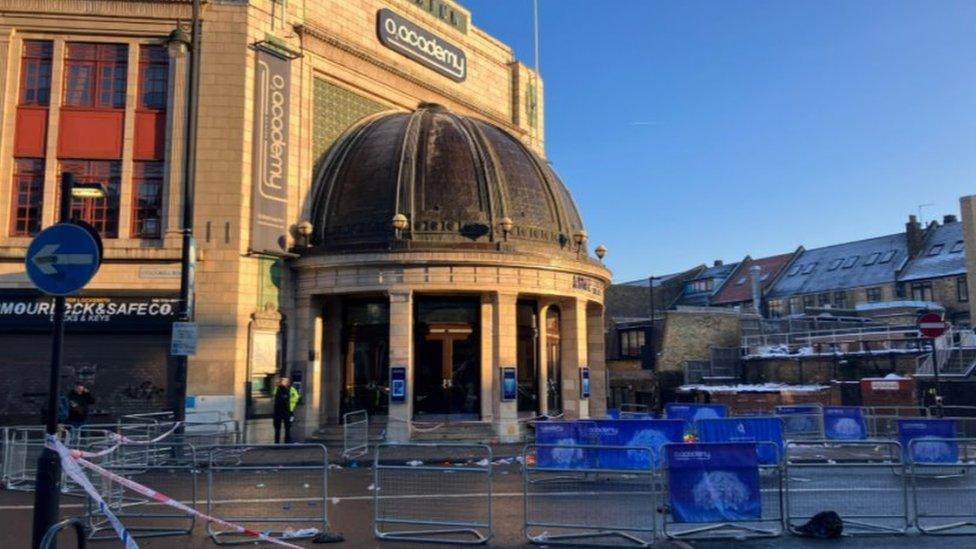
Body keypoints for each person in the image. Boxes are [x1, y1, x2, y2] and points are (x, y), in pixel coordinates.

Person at [273, 377, 300, 443]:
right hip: (278, 411)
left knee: (287, 428)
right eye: (282, 380)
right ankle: (276, 443)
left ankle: (287, 443)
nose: (283, 382)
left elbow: (296, 397)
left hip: (287, 410)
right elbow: (275, 397)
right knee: (277, 428)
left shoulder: (291, 389)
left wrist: (290, 404)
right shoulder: (277, 389)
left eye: (285, 381)